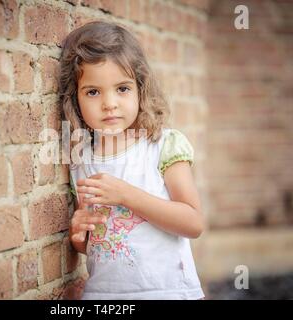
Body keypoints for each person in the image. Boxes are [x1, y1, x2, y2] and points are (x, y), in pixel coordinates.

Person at [58, 21, 205, 300]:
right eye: (93, 92)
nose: (109, 103)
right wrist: (79, 237)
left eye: (122, 89)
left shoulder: (162, 145)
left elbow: (193, 222)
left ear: (140, 89)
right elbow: (100, 244)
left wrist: (126, 195)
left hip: (168, 292)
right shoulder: (80, 160)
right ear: (75, 99)